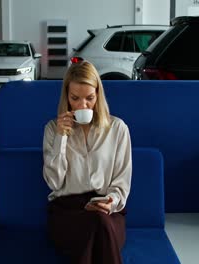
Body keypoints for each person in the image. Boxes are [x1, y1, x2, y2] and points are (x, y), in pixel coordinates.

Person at [43, 60, 132, 264]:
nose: (83, 105)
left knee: (99, 222)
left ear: (98, 95)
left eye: (89, 98)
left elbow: (122, 181)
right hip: (67, 212)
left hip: (108, 212)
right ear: (66, 96)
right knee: (96, 229)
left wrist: (111, 202)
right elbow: (54, 183)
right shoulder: (51, 130)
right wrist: (61, 138)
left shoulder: (118, 129)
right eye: (75, 98)